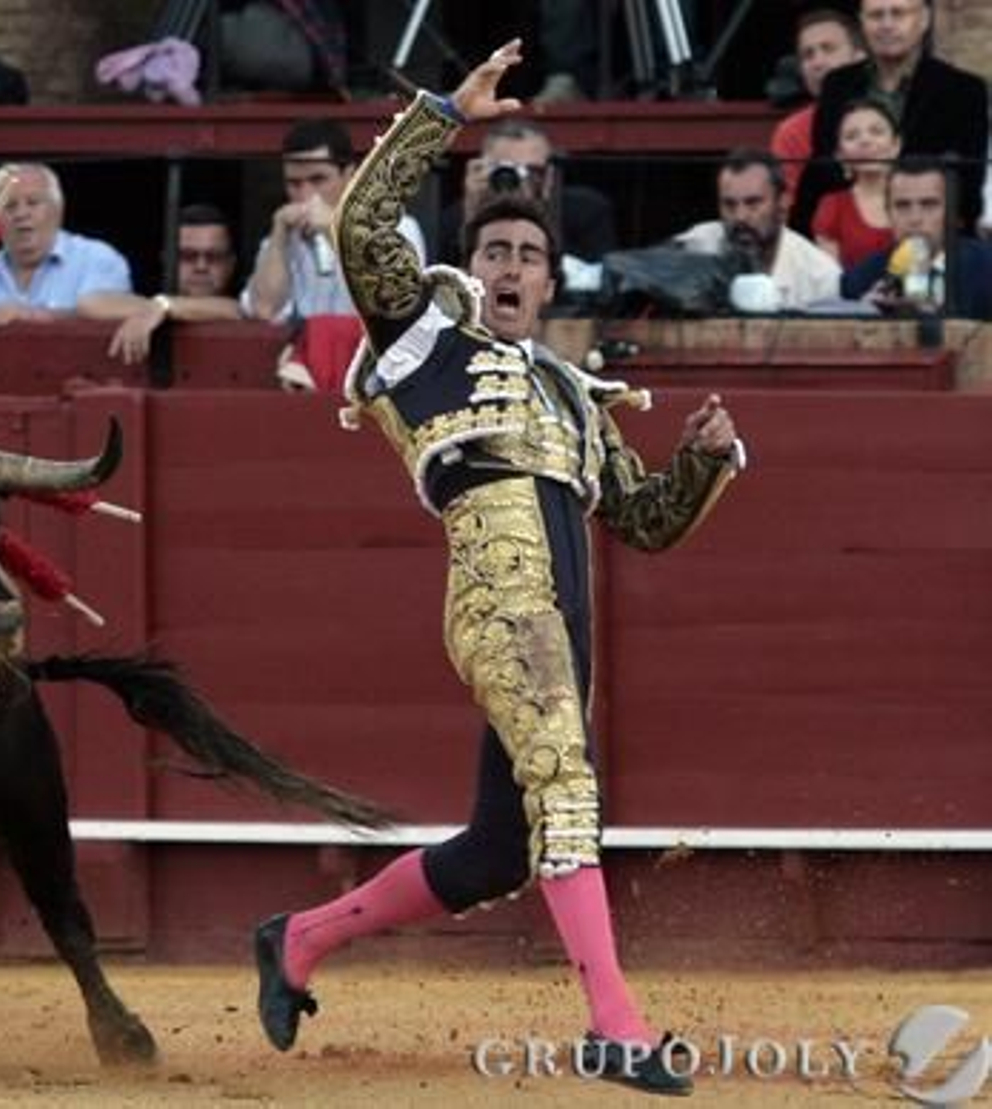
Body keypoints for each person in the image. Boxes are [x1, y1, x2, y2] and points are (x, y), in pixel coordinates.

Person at [252, 40, 744, 1098]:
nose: (512, 267)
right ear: (470, 273)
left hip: (567, 621)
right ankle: (615, 1026)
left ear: (552, 280)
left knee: (496, 849)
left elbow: (646, 521)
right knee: (566, 785)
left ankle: (297, 938)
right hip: (499, 601)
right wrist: (445, 113)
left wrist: (704, 459)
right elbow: (360, 227)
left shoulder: (574, 395)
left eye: (529, 254)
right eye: (495, 253)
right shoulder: (424, 341)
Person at [792, 0, 988, 233]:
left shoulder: (963, 90)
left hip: (933, 233)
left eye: (898, 13)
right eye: (876, 15)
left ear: (924, 19)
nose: (887, 24)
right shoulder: (837, 85)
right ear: (862, 22)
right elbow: (821, 167)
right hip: (846, 233)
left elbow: (968, 181)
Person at [242, 118, 425, 324]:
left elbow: (394, 299)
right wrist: (279, 231)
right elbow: (264, 309)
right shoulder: (281, 238)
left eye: (318, 180)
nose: (306, 194)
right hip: (306, 344)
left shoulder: (399, 227)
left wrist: (336, 229)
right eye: (294, 183)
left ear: (350, 175)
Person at [0, 162, 132, 323]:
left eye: (33, 203)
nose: (21, 214)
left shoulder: (97, 259)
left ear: (58, 209)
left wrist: (32, 316)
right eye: (9, 206)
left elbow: (109, 323)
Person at [436, 117, 618, 270]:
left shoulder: (585, 211)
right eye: (509, 170)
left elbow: (600, 281)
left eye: (533, 171)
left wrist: (539, 213)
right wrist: (472, 216)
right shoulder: (454, 220)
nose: (521, 178)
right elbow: (449, 285)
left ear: (550, 175)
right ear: (483, 170)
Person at [672, 149, 840, 311]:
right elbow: (657, 273)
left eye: (753, 203)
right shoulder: (699, 243)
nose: (740, 217)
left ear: (783, 202)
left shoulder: (820, 277)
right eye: (729, 205)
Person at [78, 203, 242, 364]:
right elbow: (91, 302)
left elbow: (237, 310)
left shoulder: (248, 305)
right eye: (187, 256)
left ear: (231, 264)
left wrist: (163, 307)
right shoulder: (152, 306)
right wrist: (154, 308)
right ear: (166, 260)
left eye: (214, 257)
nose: (201, 266)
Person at [841, 157, 992, 319]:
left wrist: (931, 316)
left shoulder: (986, 268)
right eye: (902, 206)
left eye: (929, 205)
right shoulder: (861, 278)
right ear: (888, 213)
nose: (915, 218)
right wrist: (866, 315)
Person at [769, 9, 867, 203]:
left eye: (828, 49)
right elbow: (795, 209)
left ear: (860, 58)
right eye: (808, 55)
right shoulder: (791, 133)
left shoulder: (895, 114)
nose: (817, 63)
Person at [811, 97, 900, 269]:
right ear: (840, 155)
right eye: (851, 136)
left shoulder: (919, 198)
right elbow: (830, 278)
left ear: (896, 145)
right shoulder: (832, 206)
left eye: (876, 132)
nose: (865, 141)